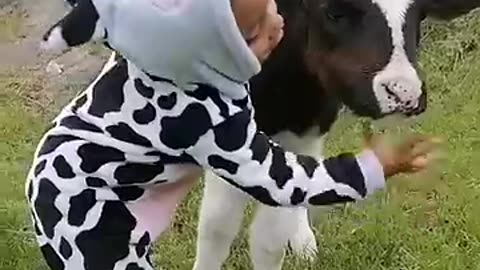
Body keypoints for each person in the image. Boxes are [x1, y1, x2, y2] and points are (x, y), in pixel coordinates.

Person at [28, 0, 440, 269]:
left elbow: (121, 11)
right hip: (82, 203)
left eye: (271, 9)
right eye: (257, 34)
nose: (279, 26)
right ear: (218, 57)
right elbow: (284, 181)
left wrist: (71, 29)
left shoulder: (157, 51)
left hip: (64, 162)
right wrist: (371, 168)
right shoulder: (207, 115)